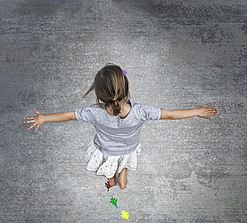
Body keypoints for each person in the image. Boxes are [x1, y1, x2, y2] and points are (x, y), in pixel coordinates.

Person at [25, 63, 218, 189]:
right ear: (126, 88)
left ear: (100, 94)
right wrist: (196, 111)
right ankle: (123, 176)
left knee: (109, 167)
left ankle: (111, 180)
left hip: (106, 149)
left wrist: (44, 118)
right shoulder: (142, 111)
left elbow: (68, 116)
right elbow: (170, 115)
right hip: (129, 148)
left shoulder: (94, 112)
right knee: (124, 160)